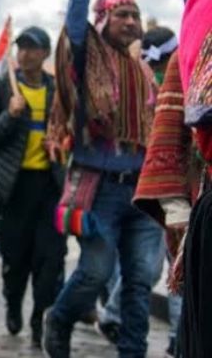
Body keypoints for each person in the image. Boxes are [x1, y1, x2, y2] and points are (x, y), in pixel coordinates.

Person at [43, 0, 162, 358]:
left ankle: (133, 351)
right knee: (94, 272)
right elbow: (75, 23)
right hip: (98, 187)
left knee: (141, 277)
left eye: (134, 15)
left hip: (142, 191)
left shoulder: (146, 73)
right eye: (121, 14)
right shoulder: (85, 58)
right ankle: (59, 319)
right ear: (103, 20)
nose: (130, 21)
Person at [0, 26, 66, 348]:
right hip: (13, 188)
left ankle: (40, 314)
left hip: (50, 186)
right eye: (21, 47)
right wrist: (10, 116)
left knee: (51, 257)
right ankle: (13, 304)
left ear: (45, 53)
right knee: (16, 258)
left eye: (32, 48)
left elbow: (72, 132)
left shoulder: (58, 90)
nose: (25, 53)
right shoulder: (3, 88)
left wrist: (59, 143)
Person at [97, 27, 179, 350]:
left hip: (170, 187)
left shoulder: (181, 77)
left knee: (160, 267)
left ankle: (170, 335)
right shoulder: (142, 86)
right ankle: (122, 318)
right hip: (156, 189)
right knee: (155, 267)